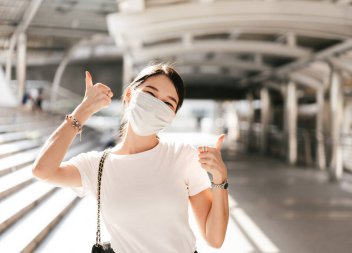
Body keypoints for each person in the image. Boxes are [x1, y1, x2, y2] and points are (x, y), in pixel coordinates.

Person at [31, 63, 229, 253]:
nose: (156, 104)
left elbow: (214, 238)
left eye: (168, 103)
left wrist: (220, 179)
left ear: (172, 116)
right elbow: (43, 170)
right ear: (128, 94)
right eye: (150, 93)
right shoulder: (97, 165)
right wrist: (84, 110)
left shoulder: (182, 156)